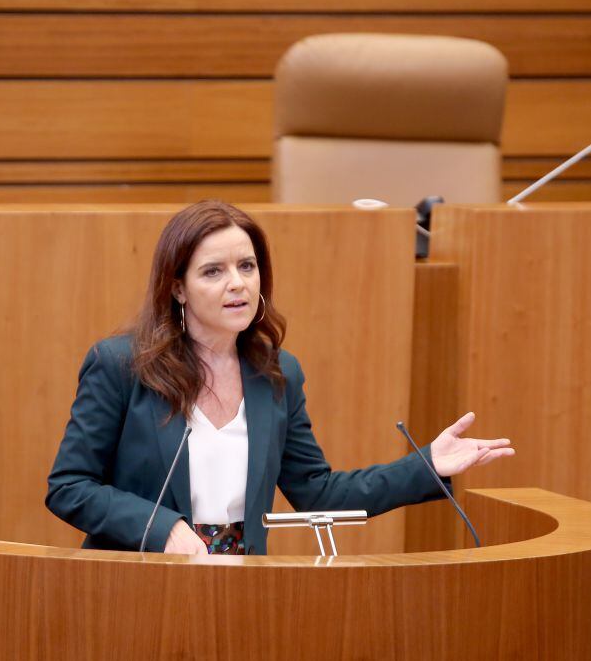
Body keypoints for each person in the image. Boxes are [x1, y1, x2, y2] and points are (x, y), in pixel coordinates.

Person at [46, 201, 514, 555]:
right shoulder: (121, 365)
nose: (238, 283)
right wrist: (161, 527)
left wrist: (426, 464)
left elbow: (318, 493)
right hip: (139, 587)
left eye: (246, 267)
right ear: (177, 288)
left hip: (247, 588)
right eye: (214, 271)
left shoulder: (275, 374)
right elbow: (69, 486)